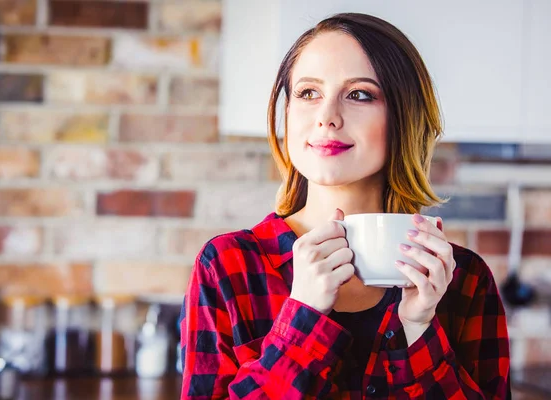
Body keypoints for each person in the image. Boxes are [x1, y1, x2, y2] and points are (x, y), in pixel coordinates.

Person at [179, 13, 510, 399]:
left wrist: (420, 327)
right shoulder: (226, 266)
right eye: (308, 93)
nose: (327, 117)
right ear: (287, 112)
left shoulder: (464, 279)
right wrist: (302, 316)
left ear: (403, 116)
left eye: (359, 94)